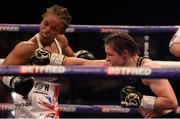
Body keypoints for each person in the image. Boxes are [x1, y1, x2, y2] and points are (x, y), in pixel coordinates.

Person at [32, 32, 178, 118]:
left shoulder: (148, 70)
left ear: (125, 54)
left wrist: (140, 100)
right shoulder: (117, 64)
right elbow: (83, 63)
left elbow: (172, 103)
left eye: (110, 54)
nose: (107, 58)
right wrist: (51, 58)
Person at [0, 4, 74, 118]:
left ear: (60, 32)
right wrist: (14, 81)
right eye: (46, 23)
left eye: (53, 29)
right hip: (28, 101)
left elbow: (71, 58)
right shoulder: (27, 47)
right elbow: (2, 70)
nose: (47, 30)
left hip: (50, 100)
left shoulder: (61, 41)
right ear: (42, 19)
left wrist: (81, 56)